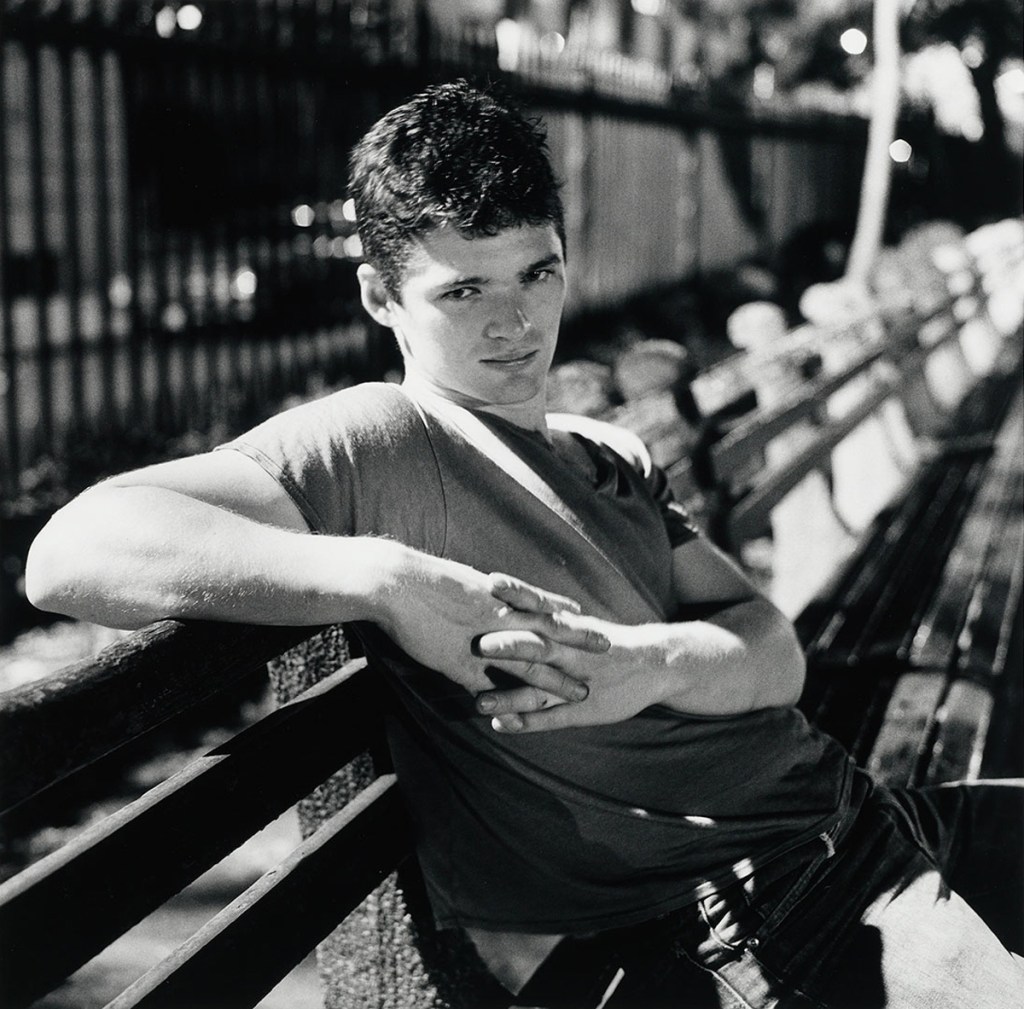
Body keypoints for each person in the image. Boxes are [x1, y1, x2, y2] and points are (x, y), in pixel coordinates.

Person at [26, 82, 1022, 1008]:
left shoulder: (600, 453)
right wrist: (384, 575)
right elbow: (72, 550)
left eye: (536, 273)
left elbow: (771, 653)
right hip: (760, 914)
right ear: (381, 299)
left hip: (867, 825)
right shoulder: (380, 437)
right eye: (463, 291)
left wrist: (650, 665)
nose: (514, 323)